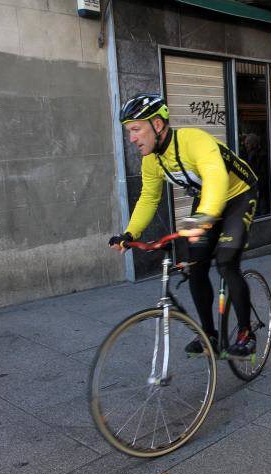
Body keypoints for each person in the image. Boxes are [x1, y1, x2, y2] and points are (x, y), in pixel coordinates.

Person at [109, 93, 260, 356]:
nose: (131, 138)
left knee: (226, 264)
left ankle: (246, 333)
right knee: (194, 266)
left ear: (157, 125)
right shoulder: (151, 161)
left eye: (135, 129)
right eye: (128, 131)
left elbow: (215, 177)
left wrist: (204, 218)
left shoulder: (195, 141)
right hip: (206, 201)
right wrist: (130, 233)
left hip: (239, 195)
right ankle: (209, 336)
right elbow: (148, 197)